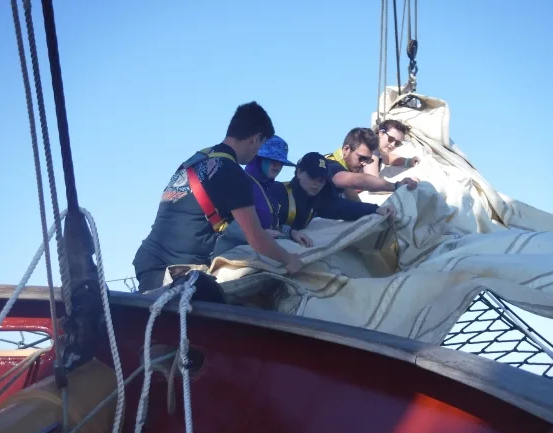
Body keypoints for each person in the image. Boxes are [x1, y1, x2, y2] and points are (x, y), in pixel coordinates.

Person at [133, 102, 303, 292]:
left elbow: (192, 214)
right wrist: (289, 259)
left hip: (149, 258)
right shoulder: (232, 173)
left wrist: (264, 233)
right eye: (261, 145)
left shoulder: (200, 158)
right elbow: (258, 242)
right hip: (172, 271)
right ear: (256, 139)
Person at [269, 152, 394, 247]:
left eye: (321, 180)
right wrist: (290, 232)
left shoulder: (319, 200)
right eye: (313, 177)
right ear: (299, 172)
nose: (317, 184)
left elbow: (346, 208)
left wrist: (376, 209)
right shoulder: (276, 191)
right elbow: (260, 225)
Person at [325, 127, 418, 202]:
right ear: (346, 149)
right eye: (361, 158)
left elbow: (388, 158)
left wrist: (408, 161)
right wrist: (396, 186)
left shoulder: (350, 161)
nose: (364, 164)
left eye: (397, 143)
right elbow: (360, 180)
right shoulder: (331, 165)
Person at [244, 135, 295, 230]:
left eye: (281, 162)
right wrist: (261, 234)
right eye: (273, 160)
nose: (278, 166)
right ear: (259, 159)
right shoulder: (242, 183)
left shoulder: (271, 188)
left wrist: (290, 233)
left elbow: (272, 226)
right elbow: (230, 224)